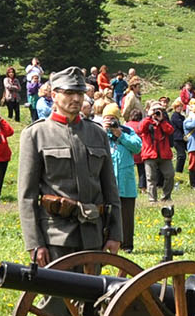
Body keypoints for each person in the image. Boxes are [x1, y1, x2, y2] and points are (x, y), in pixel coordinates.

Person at [18, 67, 124, 264]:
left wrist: (115, 233)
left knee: (94, 285)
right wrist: (34, 243)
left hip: (93, 235)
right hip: (56, 237)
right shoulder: (36, 134)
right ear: (54, 95)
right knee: (56, 286)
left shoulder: (97, 134)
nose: (76, 98)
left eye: (80, 93)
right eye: (69, 93)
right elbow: (27, 196)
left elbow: (111, 188)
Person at [100, 104, 144, 251]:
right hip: (107, 181)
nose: (110, 121)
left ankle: (127, 244)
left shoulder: (127, 131)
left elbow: (137, 147)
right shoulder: (98, 132)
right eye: (107, 118)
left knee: (126, 214)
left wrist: (121, 135)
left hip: (126, 182)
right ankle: (104, 242)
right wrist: (103, 130)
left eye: (113, 118)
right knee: (105, 214)